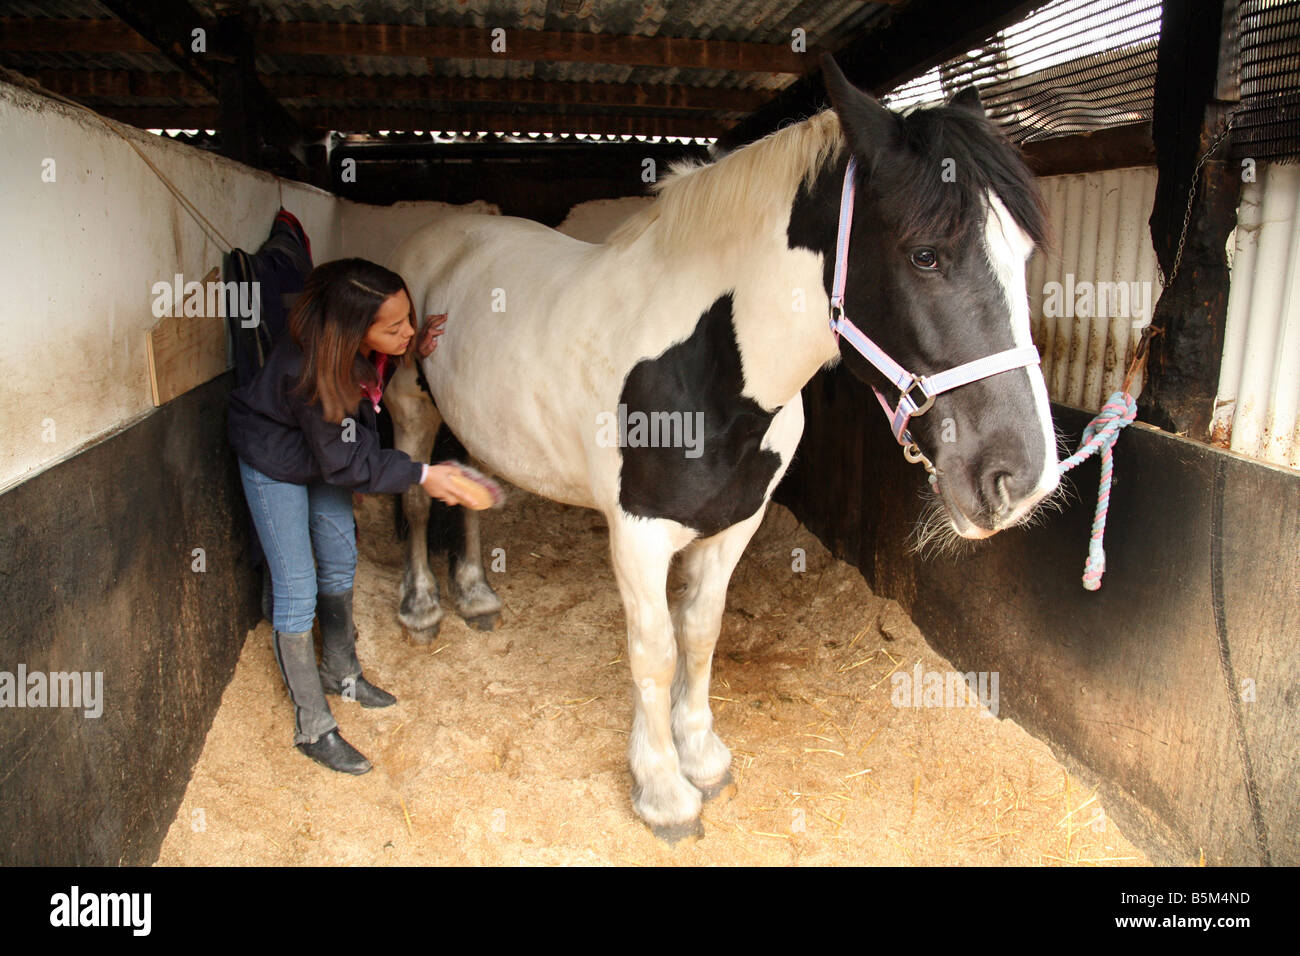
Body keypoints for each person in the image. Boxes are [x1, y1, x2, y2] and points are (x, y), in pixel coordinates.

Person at [228, 257, 472, 775]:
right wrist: (424, 475)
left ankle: (341, 671)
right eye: (396, 326)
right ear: (354, 329)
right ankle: (312, 726)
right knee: (298, 588)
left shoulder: (353, 347)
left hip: (322, 454)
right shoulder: (313, 373)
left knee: (340, 557)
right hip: (277, 463)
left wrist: (410, 349)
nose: (409, 330)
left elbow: (366, 395)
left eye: (409, 318)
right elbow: (347, 461)